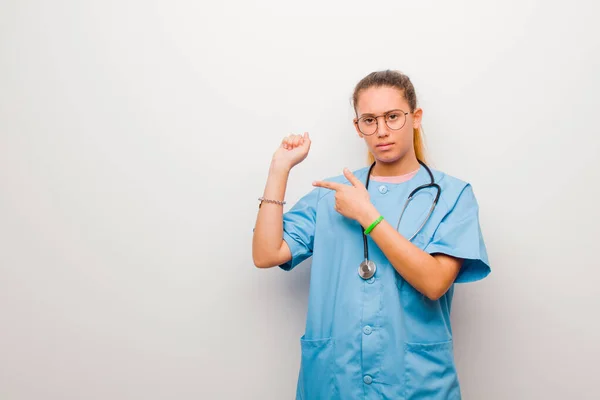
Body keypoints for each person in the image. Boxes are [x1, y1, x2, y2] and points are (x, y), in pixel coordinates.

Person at [252, 70, 491, 400]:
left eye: (393, 117)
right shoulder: (332, 194)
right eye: (369, 120)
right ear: (358, 127)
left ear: (415, 117)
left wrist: (367, 214)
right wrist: (279, 168)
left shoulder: (453, 195)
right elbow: (266, 254)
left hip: (415, 384)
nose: (382, 131)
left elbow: (435, 283)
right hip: (336, 381)